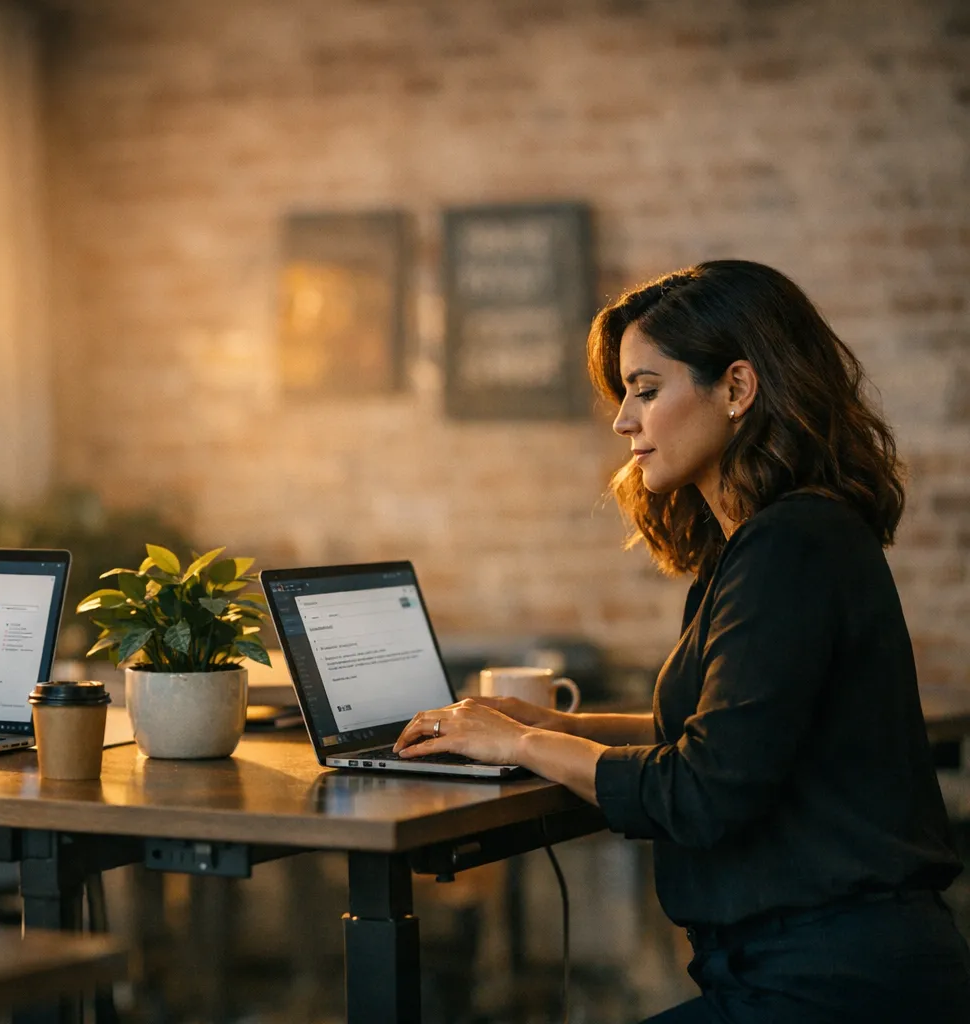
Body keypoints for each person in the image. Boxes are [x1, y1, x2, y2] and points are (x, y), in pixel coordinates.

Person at [393, 260, 970, 1021]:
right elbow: (727, 738)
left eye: (647, 389)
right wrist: (560, 726)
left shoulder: (791, 546)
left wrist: (523, 748)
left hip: (834, 985)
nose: (622, 421)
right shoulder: (773, 542)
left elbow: (702, 790)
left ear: (737, 388)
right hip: (813, 972)